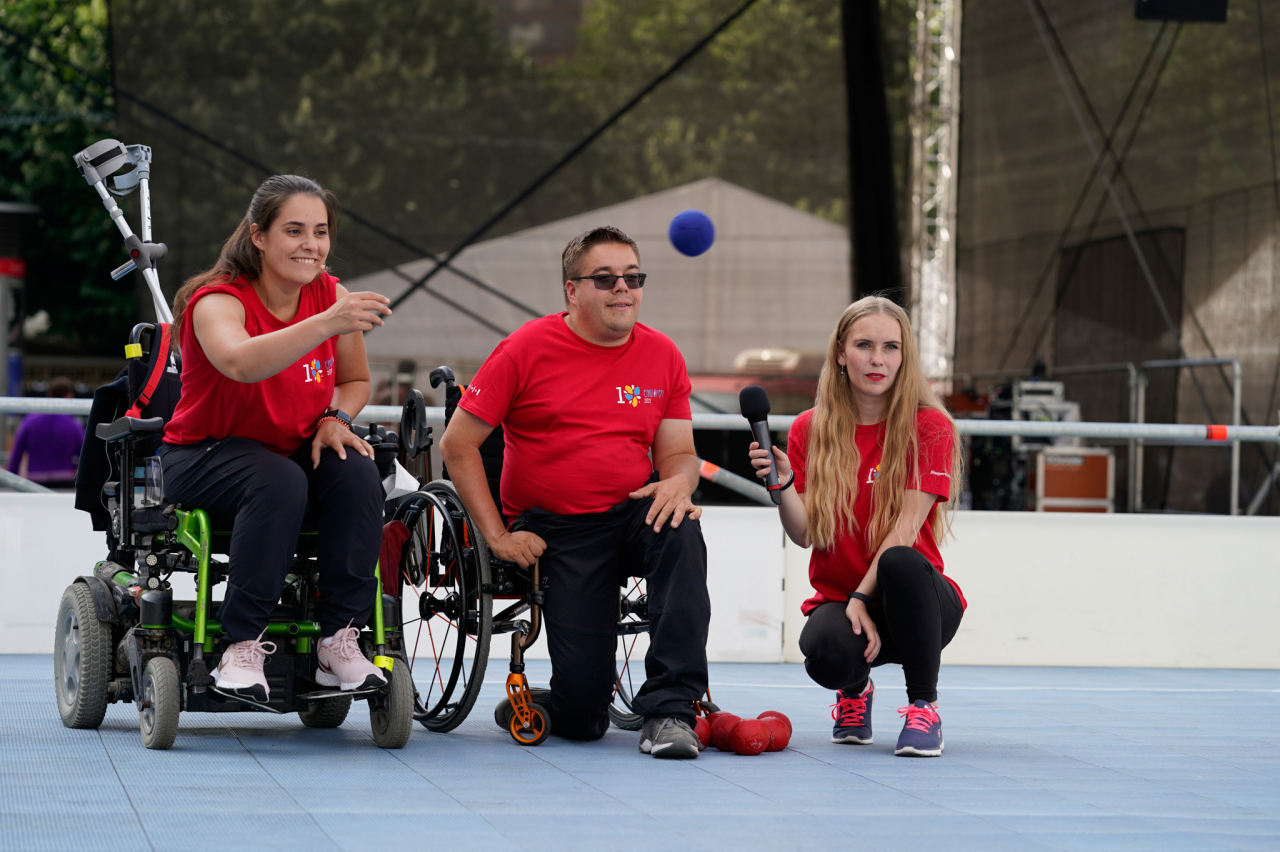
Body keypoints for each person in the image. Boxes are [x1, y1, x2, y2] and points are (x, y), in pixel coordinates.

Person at [439, 225, 711, 759]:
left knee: (682, 526)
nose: (622, 288)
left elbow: (678, 453)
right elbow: (457, 444)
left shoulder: (663, 353)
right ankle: (562, 700)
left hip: (633, 513)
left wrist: (679, 481)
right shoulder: (524, 348)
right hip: (558, 529)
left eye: (633, 277)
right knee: (585, 721)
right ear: (572, 290)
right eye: (605, 278)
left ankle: (671, 711)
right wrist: (497, 537)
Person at [159, 175, 393, 702]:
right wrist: (326, 322)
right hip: (203, 454)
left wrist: (336, 417)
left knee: (358, 472)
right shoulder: (216, 301)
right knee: (279, 479)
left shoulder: (330, 296)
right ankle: (240, 645)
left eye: (321, 232)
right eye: (294, 230)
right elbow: (240, 363)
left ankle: (338, 641)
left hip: (291, 451)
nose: (311, 244)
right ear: (259, 236)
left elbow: (355, 381)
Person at [749, 296, 966, 757]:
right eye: (864, 345)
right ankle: (854, 690)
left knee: (901, 561)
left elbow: (905, 529)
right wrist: (782, 484)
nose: (877, 359)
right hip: (842, 602)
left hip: (918, 605)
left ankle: (924, 708)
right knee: (825, 653)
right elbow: (804, 534)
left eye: (891, 347)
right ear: (841, 354)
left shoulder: (930, 427)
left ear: (904, 357)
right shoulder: (809, 429)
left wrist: (862, 597)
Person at [6, 377, 84, 488]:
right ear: (69, 396)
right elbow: (85, 455)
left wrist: (11, 484)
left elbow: (15, 458)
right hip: (65, 482)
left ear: (49, 394)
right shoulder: (73, 425)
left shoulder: (29, 422)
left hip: (34, 483)